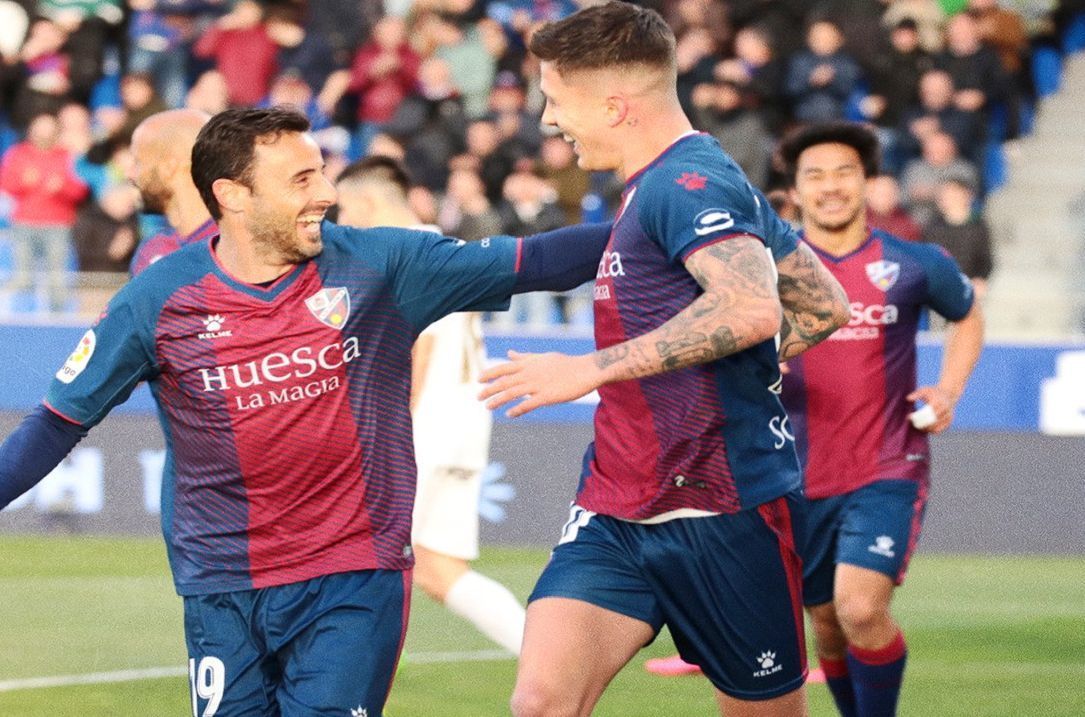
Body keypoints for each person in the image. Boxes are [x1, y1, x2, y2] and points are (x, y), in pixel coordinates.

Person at [0, 106, 611, 717]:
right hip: (221, 584)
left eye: (320, 172)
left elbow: (538, 261)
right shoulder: (159, 297)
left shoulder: (379, 265)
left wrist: (657, 219)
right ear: (232, 195)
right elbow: (59, 420)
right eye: (301, 179)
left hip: (352, 575)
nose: (325, 193)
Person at [477, 5, 850, 716]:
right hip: (615, 508)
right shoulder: (671, 182)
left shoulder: (689, 183)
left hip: (724, 513)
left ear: (615, 106)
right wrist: (732, 369)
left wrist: (588, 369)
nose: (549, 118)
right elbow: (823, 304)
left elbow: (750, 309)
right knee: (540, 702)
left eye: (555, 99)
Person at [775, 122, 984, 716]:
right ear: (796, 191)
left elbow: (967, 316)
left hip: (887, 465)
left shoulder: (914, 262)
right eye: (815, 175)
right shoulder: (770, 268)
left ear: (867, 182)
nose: (831, 186)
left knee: (861, 608)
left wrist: (949, 389)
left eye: (844, 172)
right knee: (828, 623)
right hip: (796, 474)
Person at [334, 155, 526, 654]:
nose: (340, 224)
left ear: (366, 204)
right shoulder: (445, 247)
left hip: (423, 428)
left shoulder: (398, 257)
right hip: (465, 423)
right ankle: (550, 664)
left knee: (360, 564)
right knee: (440, 571)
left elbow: (417, 348)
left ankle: (341, 693)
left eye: (344, 211)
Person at [126, 108, 218, 275]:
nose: (129, 174)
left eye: (138, 162)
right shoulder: (153, 250)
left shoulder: (234, 252)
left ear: (169, 167)